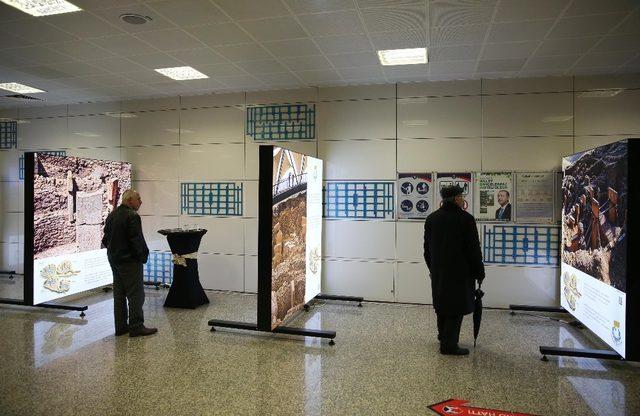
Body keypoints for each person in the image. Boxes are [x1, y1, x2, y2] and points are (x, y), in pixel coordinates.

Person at [424, 185, 484, 355]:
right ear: (457, 199)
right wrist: (479, 271)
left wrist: (433, 268)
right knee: (456, 308)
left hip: (439, 272)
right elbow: (473, 249)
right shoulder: (466, 219)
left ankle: (443, 336)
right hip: (460, 273)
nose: (463, 199)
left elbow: (426, 249)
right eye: (462, 196)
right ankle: (449, 345)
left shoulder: (432, 219)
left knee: (442, 304)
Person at [102, 189, 157, 337]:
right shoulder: (132, 216)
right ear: (130, 200)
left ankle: (120, 327)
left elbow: (105, 239)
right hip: (129, 261)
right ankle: (136, 326)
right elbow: (136, 240)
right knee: (136, 294)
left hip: (114, 260)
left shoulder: (112, 215)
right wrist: (142, 257)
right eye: (138, 198)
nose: (141, 201)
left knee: (119, 294)